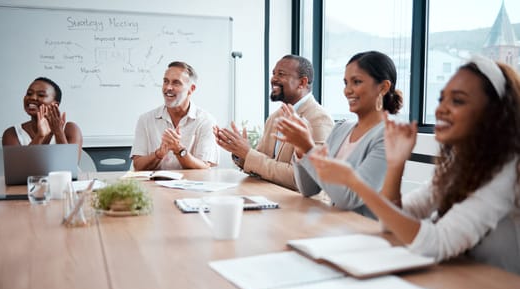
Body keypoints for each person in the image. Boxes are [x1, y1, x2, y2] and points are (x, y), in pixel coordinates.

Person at [309, 55, 520, 274]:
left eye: (457, 100)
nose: (441, 110)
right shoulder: (459, 166)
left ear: (493, 114)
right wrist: (395, 165)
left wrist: (354, 182)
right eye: (441, 99)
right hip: (465, 280)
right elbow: (389, 222)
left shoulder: (507, 171)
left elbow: (436, 243)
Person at [275, 51, 403, 217]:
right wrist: (300, 150)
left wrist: (308, 148)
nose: (347, 91)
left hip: (367, 233)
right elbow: (309, 189)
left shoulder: (389, 137)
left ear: (383, 87)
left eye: (356, 82)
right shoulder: (341, 128)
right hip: (336, 228)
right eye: (345, 83)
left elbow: (348, 199)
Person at [213, 54, 333, 190]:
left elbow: (303, 180)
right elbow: (260, 163)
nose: (274, 79)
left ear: (302, 83)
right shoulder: (274, 117)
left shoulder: (319, 119)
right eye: (273, 73)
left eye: (281, 74)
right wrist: (239, 152)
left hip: (298, 206)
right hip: (269, 197)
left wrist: (248, 154)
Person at [131, 61, 218, 170]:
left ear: (191, 89)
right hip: (153, 186)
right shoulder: (145, 119)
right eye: (165, 81)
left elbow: (204, 167)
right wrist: (158, 154)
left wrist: (179, 150)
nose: (168, 87)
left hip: (190, 186)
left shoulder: (206, 121)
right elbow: (138, 166)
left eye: (176, 83)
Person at [2, 77, 83, 159]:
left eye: (41, 95)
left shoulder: (70, 129)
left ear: (55, 104)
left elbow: (71, 165)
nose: (32, 98)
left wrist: (58, 132)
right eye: (29, 93)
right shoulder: (12, 133)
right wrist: (40, 136)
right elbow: (18, 167)